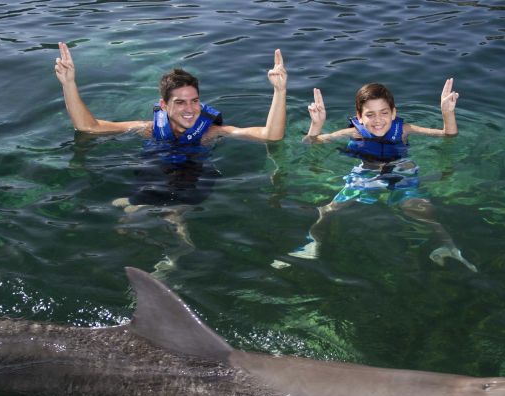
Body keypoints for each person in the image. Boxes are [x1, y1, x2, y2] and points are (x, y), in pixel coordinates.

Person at [54, 42, 287, 270]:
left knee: (174, 217)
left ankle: (176, 243)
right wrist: (68, 83)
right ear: (163, 106)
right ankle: (144, 217)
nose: (190, 109)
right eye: (180, 102)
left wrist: (279, 91)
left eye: (194, 101)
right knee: (123, 228)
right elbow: (89, 127)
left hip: (191, 186)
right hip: (152, 181)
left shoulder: (211, 133)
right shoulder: (148, 128)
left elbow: (271, 136)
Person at [291, 79, 475, 270]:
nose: (378, 120)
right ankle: (313, 243)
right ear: (360, 117)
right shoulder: (353, 133)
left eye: (384, 113)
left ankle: (449, 246)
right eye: (370, 114)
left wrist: (448, 113)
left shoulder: (404, 130)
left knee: (423, 212)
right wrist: (316, 125)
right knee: (330, 209)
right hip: (366, 172)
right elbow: (309, 142)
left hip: (400, 168)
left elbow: (448, 135)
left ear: (393, 113)